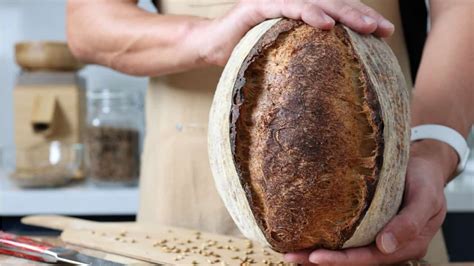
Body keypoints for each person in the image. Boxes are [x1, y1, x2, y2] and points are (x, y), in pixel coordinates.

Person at [67, 0, 473, 264]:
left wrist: (434, 150)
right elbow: (88, 23)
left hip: (391, 210)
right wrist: (208, 36)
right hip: (185, 211)